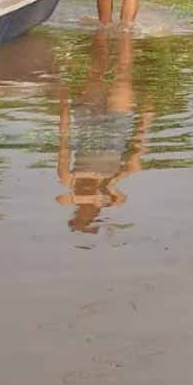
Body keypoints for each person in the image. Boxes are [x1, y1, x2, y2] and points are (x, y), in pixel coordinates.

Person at [57, 26, 152, 233]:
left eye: (80, 215)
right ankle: (125, 33)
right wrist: (145, 119)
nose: (84, 209)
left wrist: (64, 107)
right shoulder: (109, 188)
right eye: (87, 214)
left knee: (95, 73)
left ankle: (102, 31)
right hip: (118, 123)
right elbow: (135, 163)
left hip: (87, 120)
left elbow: (64, 141)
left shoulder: (68, 180)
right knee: (124, 72)